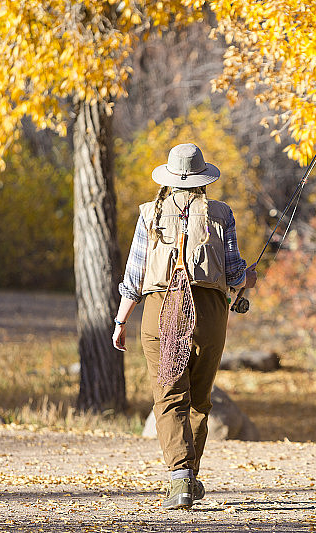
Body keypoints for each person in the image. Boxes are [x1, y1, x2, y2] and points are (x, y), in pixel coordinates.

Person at [112, 143, 256, 510]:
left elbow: (134, 274)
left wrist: (121, 319)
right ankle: (187, 478)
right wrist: (248, 279)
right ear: (203, 178)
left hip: (160, 310)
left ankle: (179, 478)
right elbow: (236, 272)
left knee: (169, 396)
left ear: (170, 178)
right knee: (199, 397)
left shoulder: (149, 213)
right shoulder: (222, 214)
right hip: (209, 312)